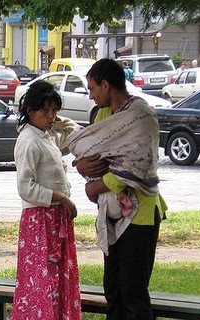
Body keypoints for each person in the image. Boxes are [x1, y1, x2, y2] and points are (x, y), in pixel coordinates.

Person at [76, 58, 167, 318]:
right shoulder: (104, 114)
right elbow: (94, 152)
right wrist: (82, 167)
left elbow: (141, 165)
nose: (91, 96)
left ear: (106, 85)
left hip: (141, 215)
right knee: (113, 289)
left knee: (133, 292)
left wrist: (98, 186)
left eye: (92, 89)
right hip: (112, 213)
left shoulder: (141, 116)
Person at [10, 80, 81, 319]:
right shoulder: (29, 140)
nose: (51, 116)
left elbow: (75, 133)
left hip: (54, 217)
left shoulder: (45, 136)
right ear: (31, 111)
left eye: (54, 111)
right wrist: (60, 198)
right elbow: (25, 187)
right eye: (45, 111)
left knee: (58, 277)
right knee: (42, 280)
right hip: (40, 220)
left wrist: (60, 121)